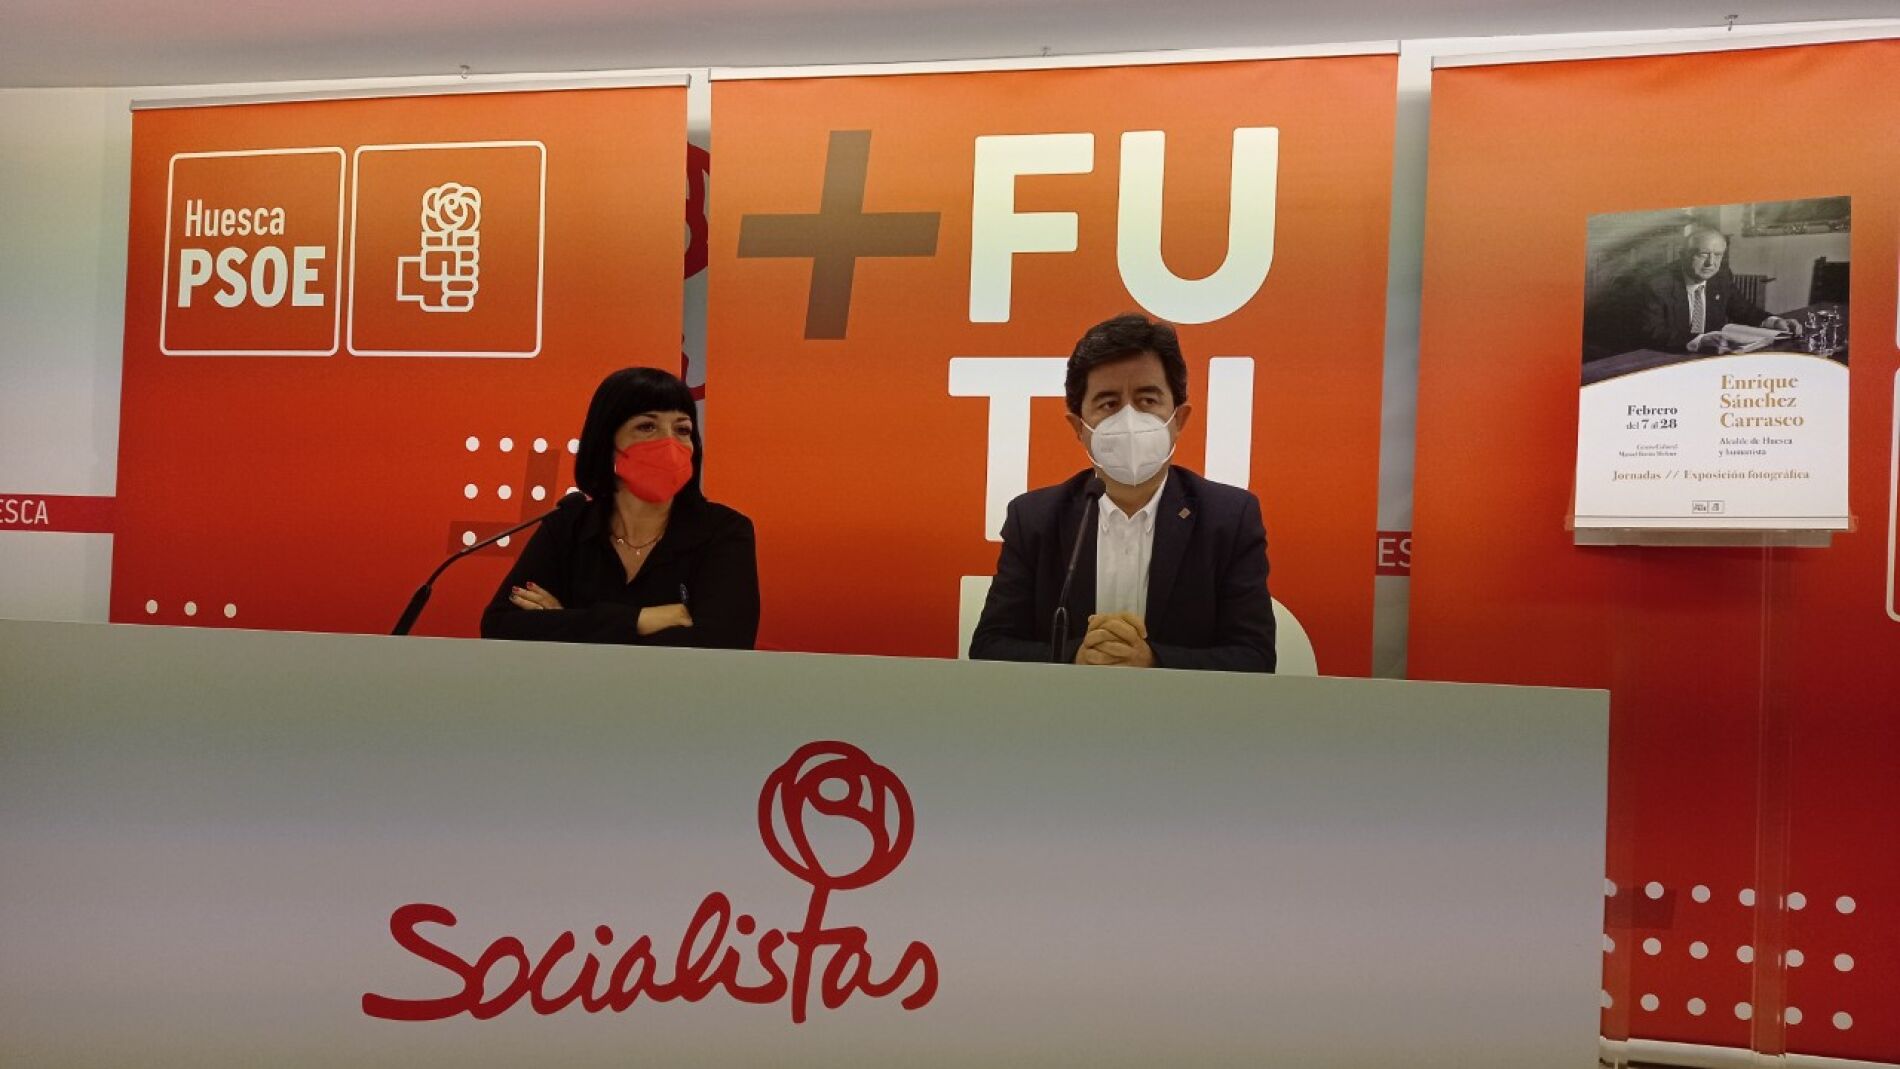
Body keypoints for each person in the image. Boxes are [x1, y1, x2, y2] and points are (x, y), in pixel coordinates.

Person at [969, 314, 1276, 672]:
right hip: (1066, 707)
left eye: (1147, 400)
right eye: (1109, 404)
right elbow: (989, 647)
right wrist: (1076, 656)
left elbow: (1255, 658)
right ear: (1078, 427)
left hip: (1180, 709)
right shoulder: (1035, 519)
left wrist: (1152, 661)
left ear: (1178, 419)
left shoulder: (1229, 518)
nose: (1129, 419)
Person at [481, 367, 759, 648]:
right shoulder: (568, 525)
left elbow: (724, 642)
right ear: (606, 441)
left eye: (682, 429)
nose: (670, 443)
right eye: (647, 426)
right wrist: (640, 619)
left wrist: (568, 623)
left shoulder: (724, 530)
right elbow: (500, 625)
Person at [1635, 226, 1803, 354]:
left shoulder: (1721, 276)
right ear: (1683, 255)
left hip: (1713, 354)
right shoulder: (1656, 284)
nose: (1711, 263)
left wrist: (1774, 322)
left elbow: (1744, 310)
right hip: (1669, 355)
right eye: (1703, 254)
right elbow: (1651, 333)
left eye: (1718, 255)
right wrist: (1700, 340)